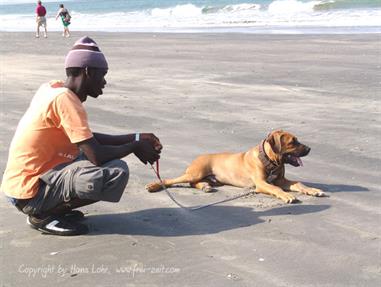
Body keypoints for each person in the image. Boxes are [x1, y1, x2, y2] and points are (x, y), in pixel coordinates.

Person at [1, 36, 162, 236]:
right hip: (29, 193)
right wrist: (134, 146)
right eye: (102, 75)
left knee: (89, 157)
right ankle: (42, 214)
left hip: (20, 186)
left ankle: (49, 208)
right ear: (88, 72)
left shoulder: (52, 89)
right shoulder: (65, 100)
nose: (104, 82)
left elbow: (87, 138)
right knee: (115, 171)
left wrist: (136, 137)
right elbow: (97, 155)